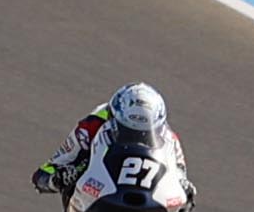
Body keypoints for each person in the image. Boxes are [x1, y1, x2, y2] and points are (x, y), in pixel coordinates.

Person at [36, 81, 187, 203]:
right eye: (127, 132)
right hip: (91, 195)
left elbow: (180, 176)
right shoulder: (93, 124)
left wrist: (186, 189)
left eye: (143, 135)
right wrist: (57, 178)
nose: (134, 140)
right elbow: (45, 172)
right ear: (113, 119)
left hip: (144, 200)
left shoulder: (167, 137)